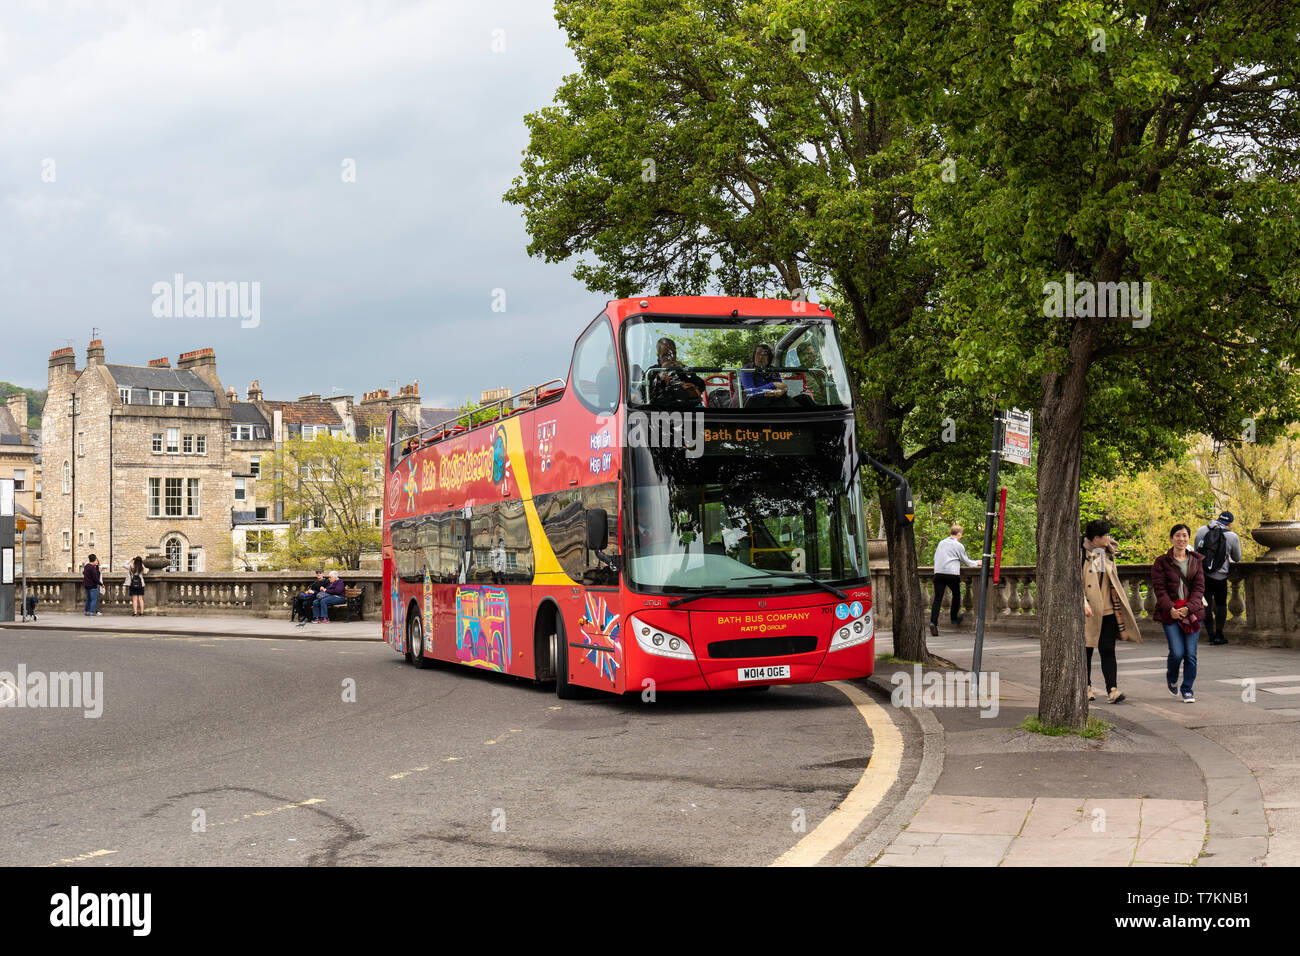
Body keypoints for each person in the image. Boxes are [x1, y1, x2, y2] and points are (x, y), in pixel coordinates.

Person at [1082, 519, 1142, 703]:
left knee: (1108, 649)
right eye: (1106, 535)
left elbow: (1105, 580)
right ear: (1095, 538)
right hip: (1088, 610)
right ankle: (1086, 686)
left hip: (1108, 609)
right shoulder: (1080, 554)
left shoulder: (1106, 552)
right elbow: (1076, 582)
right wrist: (1082, 602)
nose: (1109, 538)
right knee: (1086, 650)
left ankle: (1112, 690)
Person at [1151, 524, 1205, 703]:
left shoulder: (1196, 561)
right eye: (1177, 535)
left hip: (1192, 613)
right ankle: (1172, 676)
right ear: (1171, 538)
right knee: (1176, 652)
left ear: (1189, 538)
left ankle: (1187, 688)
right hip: (1171, 613)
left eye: (1184, 536)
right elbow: (1159, 588)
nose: (1181, 539)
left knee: (1190, 653)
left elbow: (1199, 588)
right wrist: (1171, 609)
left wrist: (1189, 607)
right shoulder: (1161, 562)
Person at [1193, 511, 1241, 646]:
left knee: (1206, 605)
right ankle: (1219, 634)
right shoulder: (1232, 536)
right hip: (1221, 576)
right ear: (1230, 524)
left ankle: (1210, 634)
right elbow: (1237, 558)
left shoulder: (1202, 530)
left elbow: (1197, 551)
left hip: (1203, 575)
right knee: (1221, 605)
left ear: (1217, 519)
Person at [930, 524, 979, 636]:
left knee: (937, 599)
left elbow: (935, 557)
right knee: (956, 594)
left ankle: (933, 623)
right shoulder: (958, 545)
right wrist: (977, 562)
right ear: (959, 534)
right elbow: (967, 562)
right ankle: (954, 618)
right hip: (951, 573)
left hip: (938, 573)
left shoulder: (941, 543)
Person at [647, 338, 705, 408]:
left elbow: (701, 385)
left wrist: (684, 372)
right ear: (659, 356)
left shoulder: (683, 368)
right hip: (661, 410)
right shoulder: (653, 371)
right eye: (665, 355)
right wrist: (660, 376)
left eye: (673, 354)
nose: (670, 358)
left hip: (688, 407)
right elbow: (646, 393)